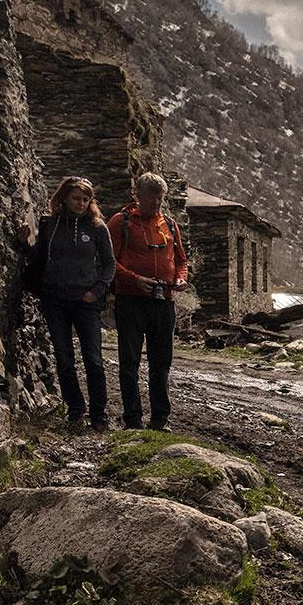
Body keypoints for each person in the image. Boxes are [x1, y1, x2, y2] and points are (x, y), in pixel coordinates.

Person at [30, 176, 115, 431]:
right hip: (54, 299)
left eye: (85, 199)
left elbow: (109, 264)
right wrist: (23, 243)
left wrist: (97, 291)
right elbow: (38, 257)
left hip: (85, 301)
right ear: (64, 198)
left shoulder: (97, 227)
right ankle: (75, 410)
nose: (81, 203)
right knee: (64, 358)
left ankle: (99, 415)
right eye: (76, 198)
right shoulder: (50, 224)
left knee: (93, 359)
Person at [107, 173, 188, 430]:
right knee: (129, 361)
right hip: (130, 300)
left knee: (161, 362)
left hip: (163, 301)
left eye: (160, 198)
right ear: (138, 195)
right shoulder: (121, 222)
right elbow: (108, 261)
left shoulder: (170, 225)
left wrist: (181, 278)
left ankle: (160, 419)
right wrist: (134, 280)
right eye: (151, 197)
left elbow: (181, 260)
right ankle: (132, 419)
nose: (156, 203)